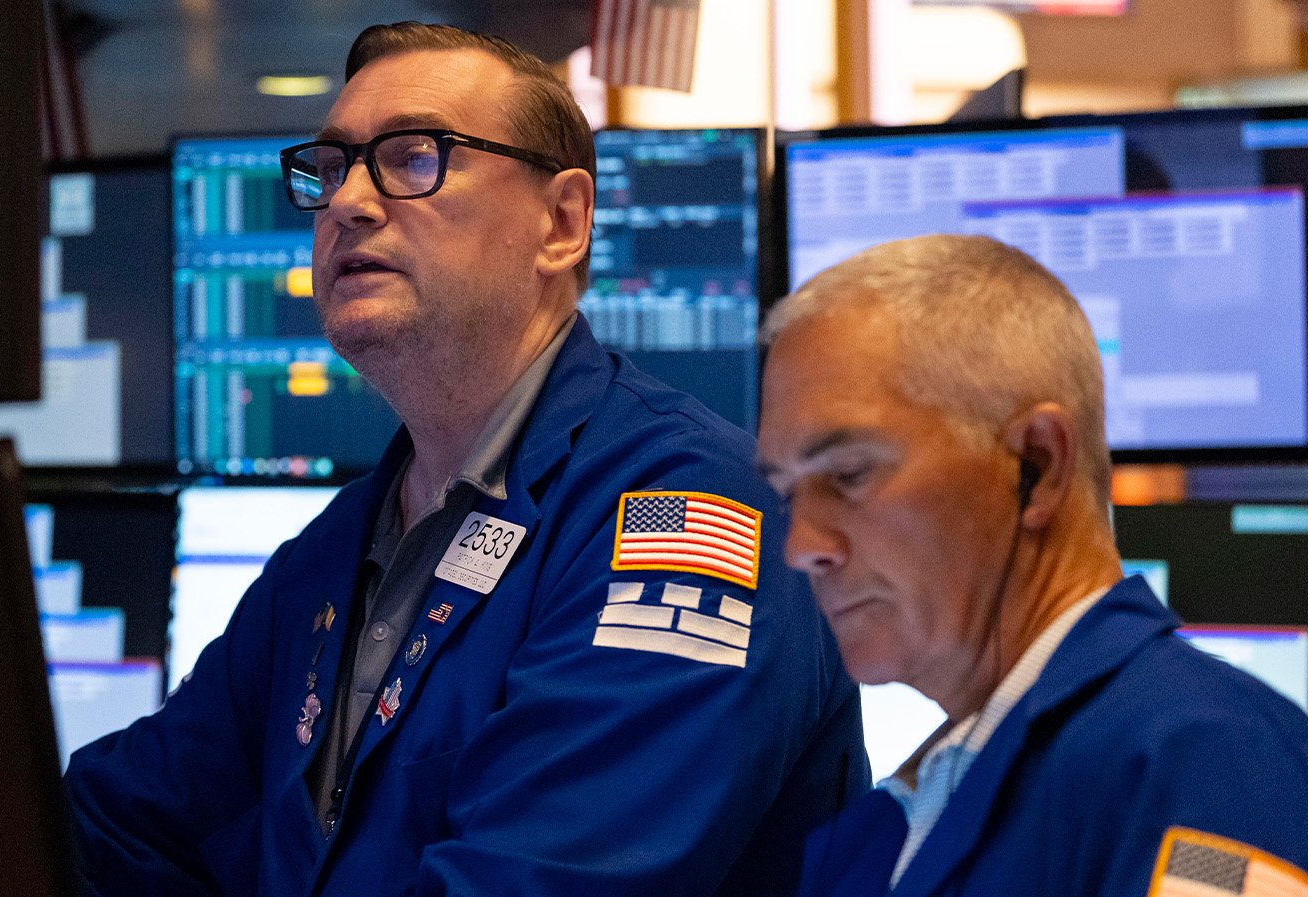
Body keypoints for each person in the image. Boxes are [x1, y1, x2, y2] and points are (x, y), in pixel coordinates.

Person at [66, 21, 869, 897]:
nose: (347, 203)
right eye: (332, 169)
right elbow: (118, 825)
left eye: (414, 157)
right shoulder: (336, 550)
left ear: (561, 223)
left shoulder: (685, 515)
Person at [757, 233, 1308, 897]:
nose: (802, 546)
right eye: (788, 491)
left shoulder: (1206, 766)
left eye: (849, 474)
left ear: (1038, 465)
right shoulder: (903, 814)